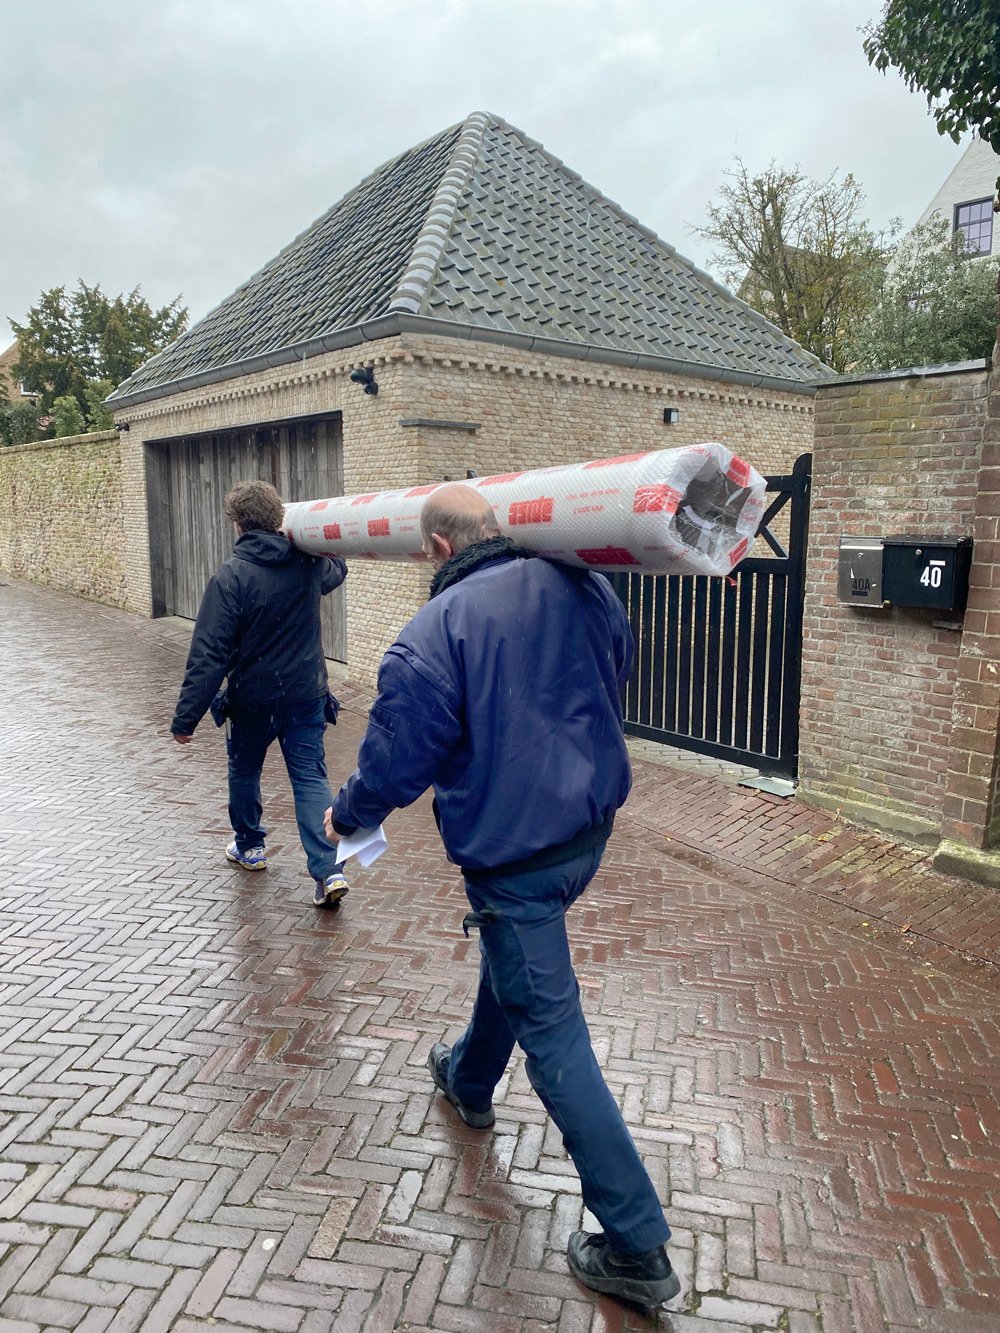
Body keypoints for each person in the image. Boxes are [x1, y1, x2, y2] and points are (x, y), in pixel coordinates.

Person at [323, 483, 679, 1309]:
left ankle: (636, 1244)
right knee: (516, 957)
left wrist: (349, 812)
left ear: (439, 549)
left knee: (553, 1034)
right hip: (586, 832)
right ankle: (469, 1077)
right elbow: (616, 665)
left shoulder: (433, 632)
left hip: (515, 855)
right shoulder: (585, 584)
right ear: (494, 528)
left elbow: (398, 759)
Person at [170, 479, 351, 909]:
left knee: (244, 771)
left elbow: (209, 654)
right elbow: (338, 570)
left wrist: (186, 719)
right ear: (278, 520)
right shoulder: (306, 564)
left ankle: (250, 847)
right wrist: (323, 542)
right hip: (305, 695)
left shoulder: (230, 577)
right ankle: (329, 871)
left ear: (238, 524)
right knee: (309, 779)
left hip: (252, 700)